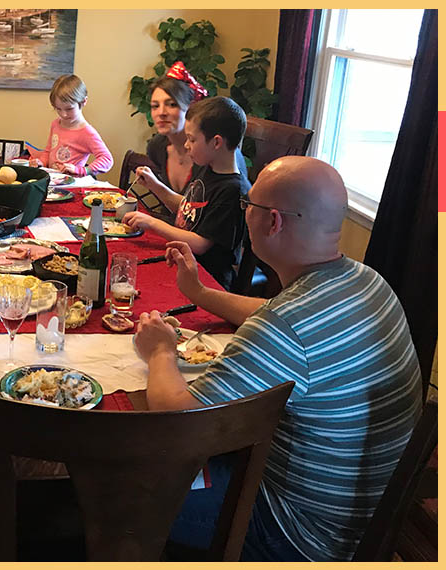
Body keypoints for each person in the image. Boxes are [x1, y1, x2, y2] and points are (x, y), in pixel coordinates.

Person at [134, 156, 422, 561]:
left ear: (273, 222)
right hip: (366, 512)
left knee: (127, 483)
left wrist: (160, 351)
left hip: (301, 533)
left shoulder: (285, 327)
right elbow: (273, 315)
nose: (244, 214)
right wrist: (199, 293)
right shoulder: (365, 279)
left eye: (247, 206)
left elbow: (177, 418)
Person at [124, 96, 250, 289]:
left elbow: (200, 244)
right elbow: (189, 208)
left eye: (191, 139)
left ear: (216, 143)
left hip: (207, 281)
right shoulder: (209, 169)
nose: (186, 145)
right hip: (185, 263)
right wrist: (155, 185)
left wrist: (151, 222)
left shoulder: (232, 190)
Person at [131, 62, 247, 216]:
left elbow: (206, 214)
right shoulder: (157, 146)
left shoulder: (212, 153)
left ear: (192, 108)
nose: (161, 113)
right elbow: (186, 209)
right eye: (155, 106)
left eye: (172, 104)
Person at [28, 74, 113, 177]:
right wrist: (41, 162)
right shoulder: (55, 124)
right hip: (53, 180)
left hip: (73, 185)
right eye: (58, 109)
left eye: (69, 109)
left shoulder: (87, 133)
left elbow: (107, 159)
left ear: (83, 102)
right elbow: (48, 151)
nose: (63, 114)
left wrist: (83, 170)